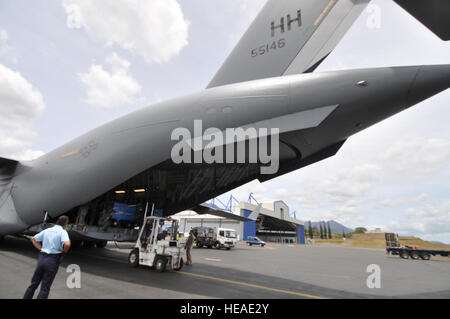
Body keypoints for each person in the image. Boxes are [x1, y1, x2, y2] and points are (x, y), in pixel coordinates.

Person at [23, 215, 71, 299]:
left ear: (57, 222)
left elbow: (33, 239)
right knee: (45, 287)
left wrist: (40, 249)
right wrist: (64, 251)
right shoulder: (62, 232)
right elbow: (67, 244)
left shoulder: (47, 230)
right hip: (52, 260)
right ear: (65, 224)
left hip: (42, 257)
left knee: (33, 284)